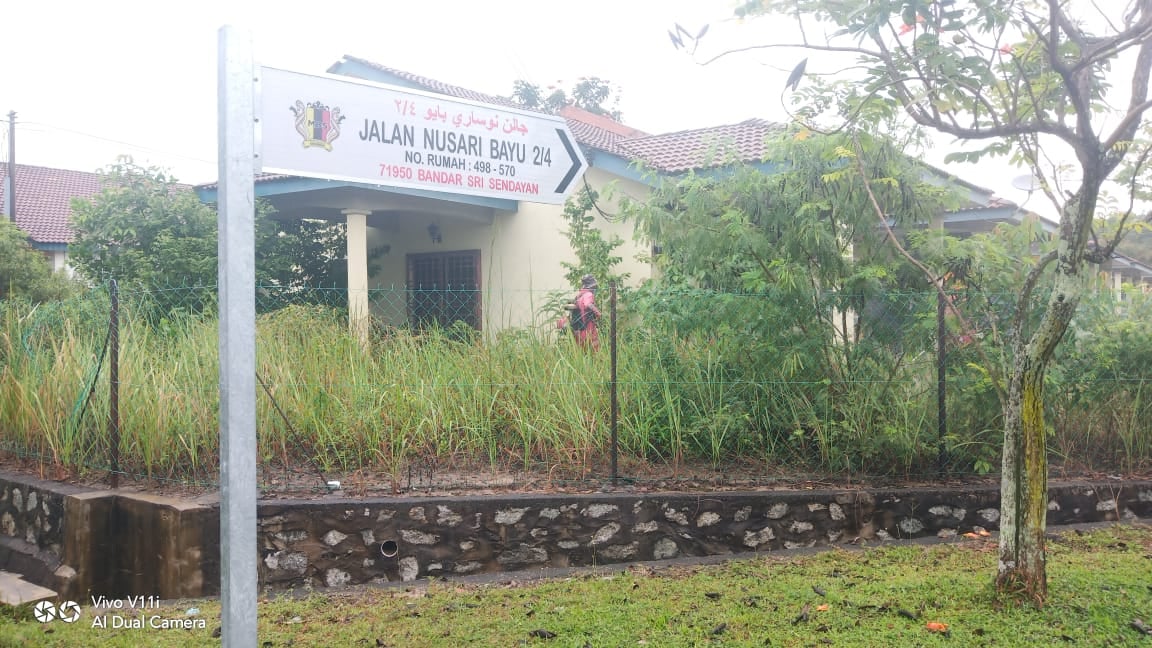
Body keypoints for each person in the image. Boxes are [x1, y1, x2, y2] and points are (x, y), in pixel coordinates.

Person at [570, 274, 601, 350]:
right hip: (588, 326)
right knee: (595, 349)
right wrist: (598, 313)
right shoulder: (589, 294)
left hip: (578, 328)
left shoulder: (579, 295)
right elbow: (588, 304)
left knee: (582, 351)